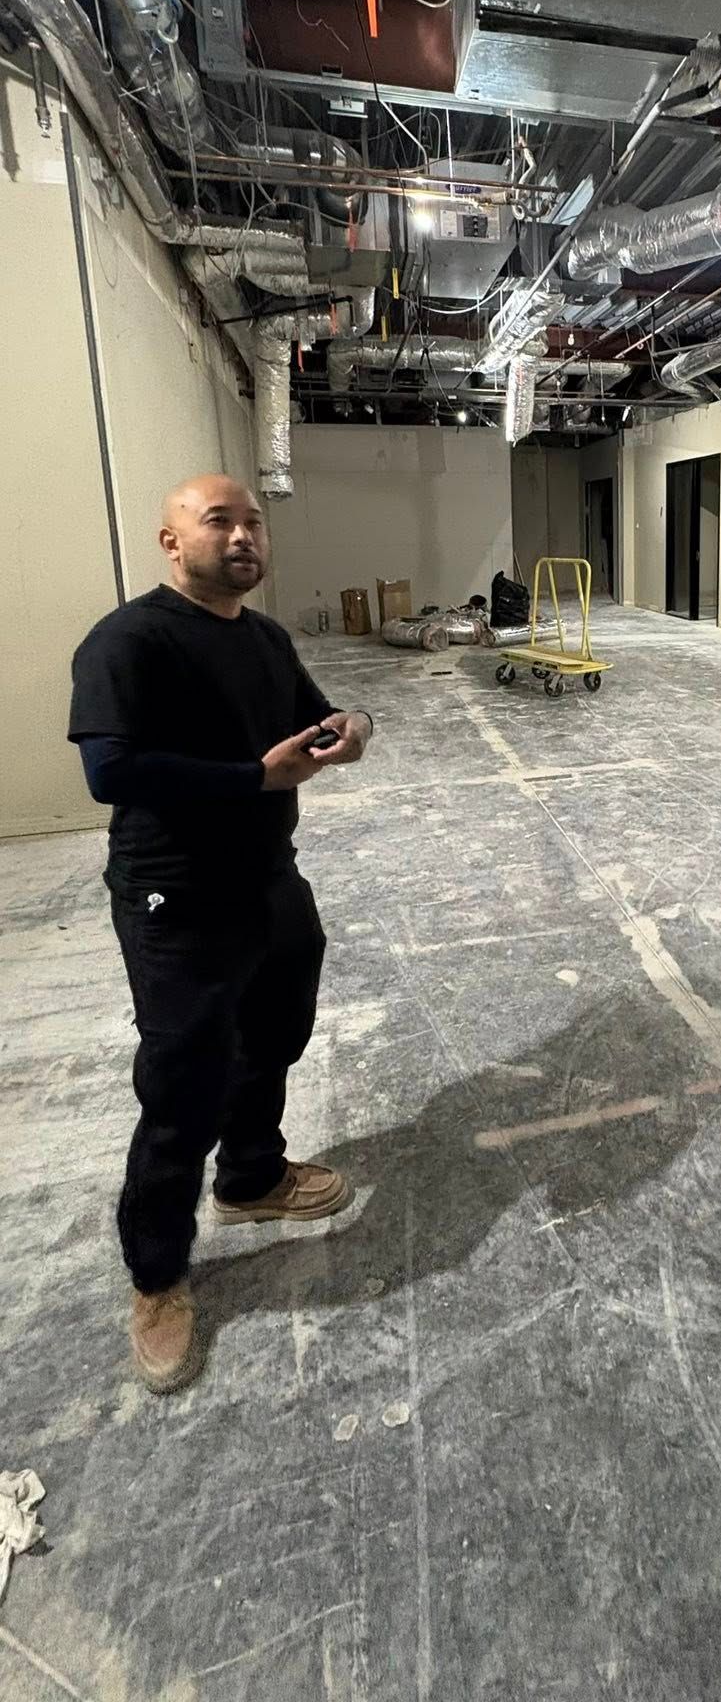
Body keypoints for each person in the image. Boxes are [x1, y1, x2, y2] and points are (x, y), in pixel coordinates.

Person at [68, 474, 374, 1393]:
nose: (243, 536)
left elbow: (318, 716)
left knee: (275, 1032)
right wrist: (254, 780)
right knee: (181, 1082)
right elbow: (110, 771)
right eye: (219, 522)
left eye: (253, 523)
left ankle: (250, 1178)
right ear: (171, 542)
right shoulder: (129, 640)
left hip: (267, 880)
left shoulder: (266, 637)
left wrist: (351, 726)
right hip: (176, 896)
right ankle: (158, 1277)